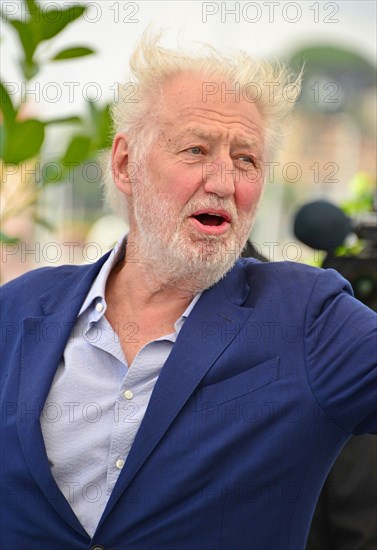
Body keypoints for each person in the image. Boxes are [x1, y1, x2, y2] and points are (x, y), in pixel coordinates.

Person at [1, 32, 376, 549]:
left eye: (246, 159)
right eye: (196, 150)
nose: (223, 181)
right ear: (124, 162)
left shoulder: (309, 317)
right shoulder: (19, 309)